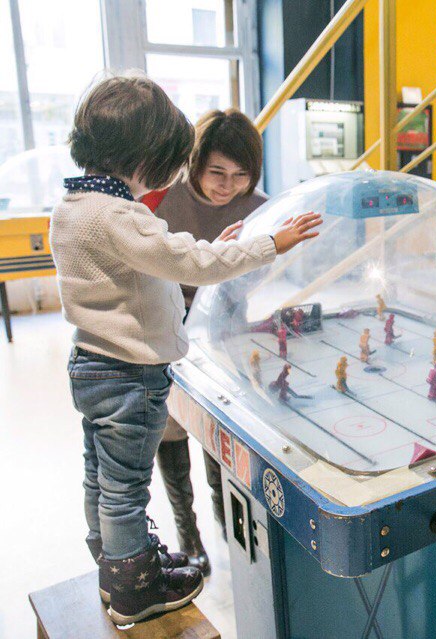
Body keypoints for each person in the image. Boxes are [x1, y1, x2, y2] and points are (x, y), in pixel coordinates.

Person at [51, 74, 322, 624]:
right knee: (126, 487)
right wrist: (270, 244)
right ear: (144, 154)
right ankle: (135, 587)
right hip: (131, 372)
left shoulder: (72, 206)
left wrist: (209, 250)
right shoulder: (120, 215)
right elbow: (188, 265)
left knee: (100, 474)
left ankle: (113, 565)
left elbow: (152, 269)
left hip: (92, 364)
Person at [144, 108, 268, 576]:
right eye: (217, 172)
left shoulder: (259, 208)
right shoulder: (160, 200)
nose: (227, 186)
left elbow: (262, 274)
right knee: (171, 428)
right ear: (195, 162)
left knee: (221, 429)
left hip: (224, 334)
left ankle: (225, 518)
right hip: (166, 331)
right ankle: (187, 532)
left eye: (240, 175)